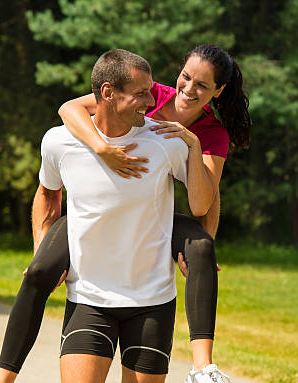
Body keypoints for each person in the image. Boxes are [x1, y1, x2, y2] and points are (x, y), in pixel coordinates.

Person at [0, 44, 251, 383]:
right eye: (186, 78)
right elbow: (70, 108)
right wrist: (103, 149)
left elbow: (206, 199)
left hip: (157, 236)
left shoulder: (203, 135)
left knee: (202, 248)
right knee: (40, 268)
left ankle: (203, 367)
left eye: (202, 86)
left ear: (218, 91)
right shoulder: (154, 93)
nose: (188, 90)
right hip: (93, 263)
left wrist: (201, 248)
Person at [33, 48, 204, 382]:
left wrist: (195, 146)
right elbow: (47, 194)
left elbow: (202, 201)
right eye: (141, 93)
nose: (151, 100)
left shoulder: (165, 140)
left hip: (152, 302)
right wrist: (45, 255)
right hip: (88, 298)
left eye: (151, 91)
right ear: (108, 93)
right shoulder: (60, 141)